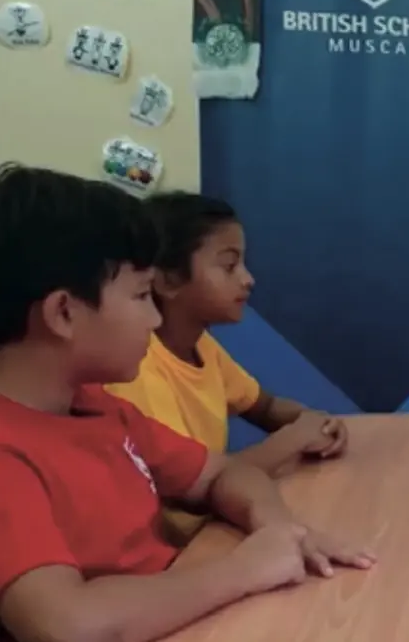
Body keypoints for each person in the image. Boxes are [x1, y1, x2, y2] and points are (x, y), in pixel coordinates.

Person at [0, 164, 409, 642]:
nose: (154, 319)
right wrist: (241, 571)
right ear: (62, 312)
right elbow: (66, 627)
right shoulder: (9, 451)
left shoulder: (95, 408)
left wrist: (281, 532)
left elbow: (223, 472)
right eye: (142, 296)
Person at [106, 193, 347, 545]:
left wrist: (315, 420)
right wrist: (295, 439)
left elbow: (263, 407)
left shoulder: (203, 346)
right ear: (168, 280)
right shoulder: (138, 371)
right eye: (229, 266)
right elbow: (187, 492)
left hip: (219, 526)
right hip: (183, 545)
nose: (248, 279)